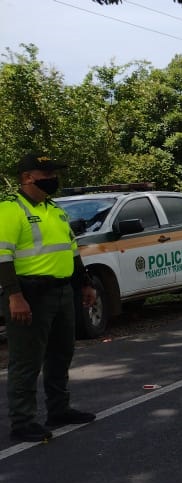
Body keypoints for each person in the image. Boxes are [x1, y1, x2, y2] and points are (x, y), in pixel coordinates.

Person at [1, 152, 98, 443]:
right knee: (27, 360)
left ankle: (59, 409)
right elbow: (2, 256)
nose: (54, 178)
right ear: (28, 177)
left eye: (55, 173)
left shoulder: (54, 209)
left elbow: (71, 249)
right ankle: (22, 421)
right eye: (47, 174)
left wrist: (85, 283)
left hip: (61, 292)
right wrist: (15, 296)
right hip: (29, 295)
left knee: (61, 353)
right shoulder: (10, 209)